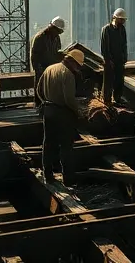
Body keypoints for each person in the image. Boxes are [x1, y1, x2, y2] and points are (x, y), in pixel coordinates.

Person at [37, 49, 86, 185]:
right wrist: (78, 111)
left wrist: (45, 102)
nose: (77, 68)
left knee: (48, 144)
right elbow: (69, 99)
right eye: (77, 65)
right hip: (63, 113)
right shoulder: (67, 74)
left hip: (48, 110)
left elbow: (38, 90)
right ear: (72, 61)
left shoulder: (49, 69)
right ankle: (68, 179)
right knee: (66, 146)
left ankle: (48, 175)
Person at [30, 17, 66, 106]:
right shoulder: (40, 37)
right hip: (42, 67)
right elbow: (34, 55)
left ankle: (49, 103)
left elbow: (57, 51)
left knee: (51, 87)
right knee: (40, 87)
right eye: (58, 31)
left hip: (52, 66)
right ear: (52, 28)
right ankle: (39, 104)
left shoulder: (56, 37)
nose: (59, 33)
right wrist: (38, 69)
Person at [99, 8, 128, 107]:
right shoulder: (106, 29)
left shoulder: (122, 29)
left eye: (123, 20)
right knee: (108, 80)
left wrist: (124, 57)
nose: (122, 22)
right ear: (115, 18)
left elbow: (124, 44)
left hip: (119, 59)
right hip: (109, 60)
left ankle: (117, 97)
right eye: (121, 19)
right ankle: (106, 99)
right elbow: (104, 47)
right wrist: (108, 60)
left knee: (119, 80)